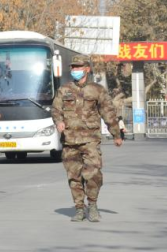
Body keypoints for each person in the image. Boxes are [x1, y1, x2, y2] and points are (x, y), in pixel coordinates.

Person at [50, 55, 124, 223]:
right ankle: (79, 209)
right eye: (73, 67)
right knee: (74, 177)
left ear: (87, 69)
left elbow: (108, 112)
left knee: (93, 174)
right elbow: (56, 109)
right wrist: (59, 121)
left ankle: (92, 205)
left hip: (90, 140)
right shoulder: (64, 90)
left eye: (78, 67)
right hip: (69, 141)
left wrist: (116, 135)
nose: (75, 70)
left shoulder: (97, 90)